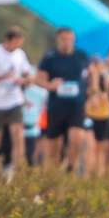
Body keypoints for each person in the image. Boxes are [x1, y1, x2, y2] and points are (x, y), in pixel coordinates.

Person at [37, 27, 91, 172]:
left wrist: (94, 89)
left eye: (70, 39)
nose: (67, 43)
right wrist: (50, 85)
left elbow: (93, 72)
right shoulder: (49, 58)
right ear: (57, 40)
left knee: (77, 137)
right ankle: (52, 178)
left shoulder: (81, 56)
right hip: (56, 108)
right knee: (53, 148)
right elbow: (39, 79)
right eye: (64, 39)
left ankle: (71, 166)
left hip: (76, 107)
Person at [0, 27, 34, 173]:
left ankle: (18, 172)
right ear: (7, 40)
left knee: (18, 135)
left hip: (15, 101)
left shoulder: (20, 54)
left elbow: (28, 75)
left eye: (20, 44)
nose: (17, 47)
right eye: (15, 43)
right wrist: (4, 76)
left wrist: (24, 80)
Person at [84, 54, 109, 175]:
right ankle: (87, 172)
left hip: (103, 116)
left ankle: (99, 173)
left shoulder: (105, 78)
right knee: (89, 145)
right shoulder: (85, 80)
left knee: (100, 147)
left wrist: (100, 95)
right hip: (89, 116)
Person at [22, 74, 48, 166]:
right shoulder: (16, 90)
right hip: (17, 130)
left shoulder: (40, 92)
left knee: (31, 159)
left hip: (33, 130)